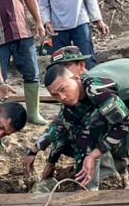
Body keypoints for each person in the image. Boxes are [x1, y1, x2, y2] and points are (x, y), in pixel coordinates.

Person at [44, 57, 129, 189]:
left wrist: (94, 154)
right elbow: (77, 134)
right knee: (94, 126)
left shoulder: (96, 89)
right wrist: (52, 162)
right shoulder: (73, 99)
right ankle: (112, 171)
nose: (62, 97)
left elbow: (125, 124)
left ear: (76, 78)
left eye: (63, 89)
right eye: (55, 95)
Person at [24, 46, 118, 191]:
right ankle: (94, 179)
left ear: (81, 66)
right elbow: (61, 125)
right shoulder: (70, 91)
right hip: (111, 128)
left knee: (92, 130)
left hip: (128, 116)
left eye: (65, 66)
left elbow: (123, 123)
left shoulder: (94, 86)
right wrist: (43, 155)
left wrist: (92, 156)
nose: (60, 72)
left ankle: (109, 176)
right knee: (74, 134)